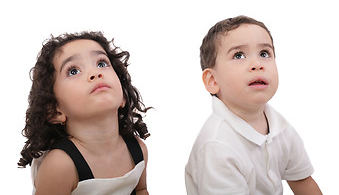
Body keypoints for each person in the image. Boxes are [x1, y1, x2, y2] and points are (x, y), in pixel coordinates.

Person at [185, 15, 322, 194]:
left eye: (264, 54)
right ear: (212, 80)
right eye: (238, 55)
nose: (257, 64)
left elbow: (303, 182)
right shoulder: (216, 146)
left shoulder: (281, 128)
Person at [18, 31, 151, 195]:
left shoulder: (138, 149)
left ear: (123, 95)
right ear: (54, 111)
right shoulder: (61, 165)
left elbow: (141, 190)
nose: (96, 73)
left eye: (101, 63)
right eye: (73, 71)